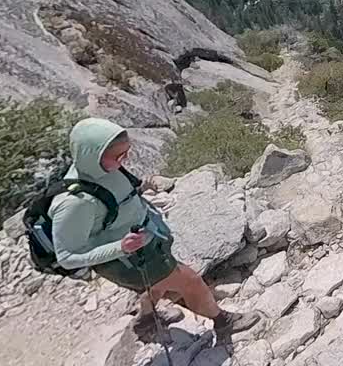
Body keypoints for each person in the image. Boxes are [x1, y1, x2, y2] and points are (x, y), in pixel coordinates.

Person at [49, 117, 260, 338]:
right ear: (92, 155)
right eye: (118, 156)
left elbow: (119, 199)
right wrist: (120, 247)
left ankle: (146, 320)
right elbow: (67, 255)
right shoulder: (74, 202)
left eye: (126, 152)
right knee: (190, 281)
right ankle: (223, 322)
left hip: (145, 243)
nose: (124, 160)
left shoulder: (104, 170)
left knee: (158, 282)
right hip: (127, 259)